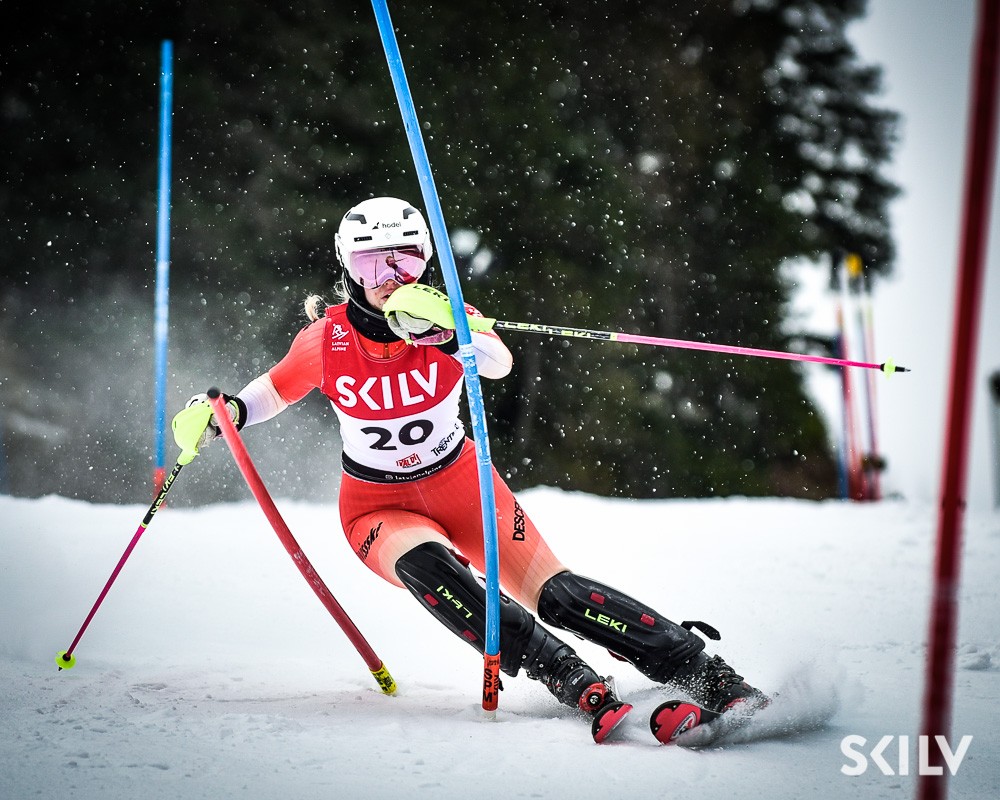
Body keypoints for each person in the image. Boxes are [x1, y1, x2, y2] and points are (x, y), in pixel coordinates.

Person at [172, 196, 767, 739]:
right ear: (347, 266)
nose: (389, 277)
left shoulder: (452, 317)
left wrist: (447, 329)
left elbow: (497, 363)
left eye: (405, 259)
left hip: (465, 487)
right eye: (371, 262)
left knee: (558, 595)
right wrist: (222, 413)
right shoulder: (325, 341)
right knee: (431, 568)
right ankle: (570, 678)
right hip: (378, 507)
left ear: (426, 260)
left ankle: (710, 677)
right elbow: (273, 391)